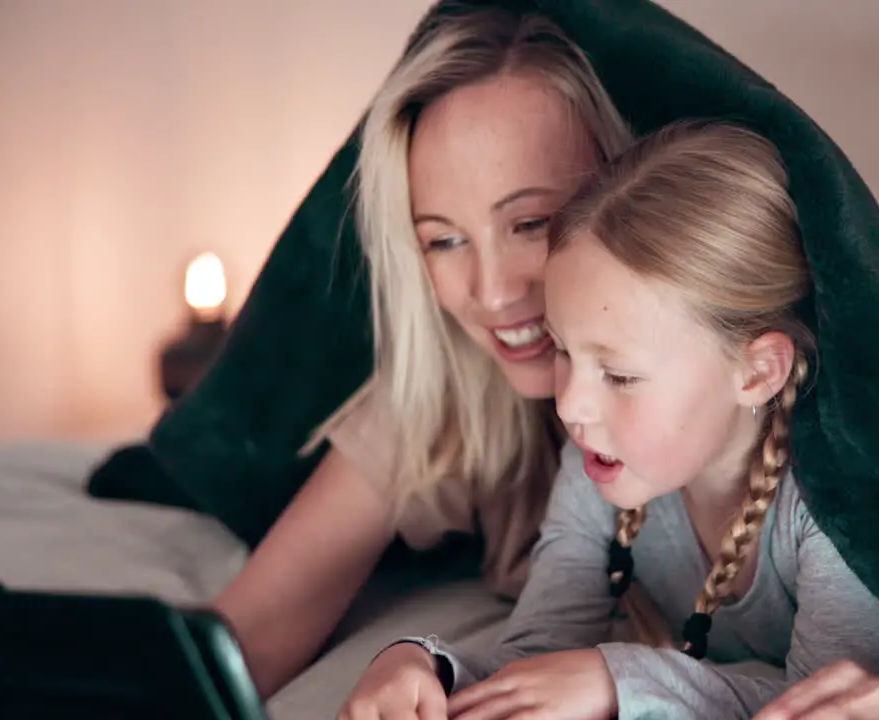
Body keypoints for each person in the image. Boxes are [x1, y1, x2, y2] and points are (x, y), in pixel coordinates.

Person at [339, 122, 879, 720]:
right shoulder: (597, 460)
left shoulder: (841, 505)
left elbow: (827, 704)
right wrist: (422, 664)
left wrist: (621, 676)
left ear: (757, 373)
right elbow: (540, 654)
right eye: (564, 351)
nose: (570, 405)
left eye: (621, 376)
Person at [210, 9, 633, 700]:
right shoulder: (452, 391)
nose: (492, 294)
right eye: (442, 240)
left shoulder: (740, 400)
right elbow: (239, 645)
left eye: (531, 224)